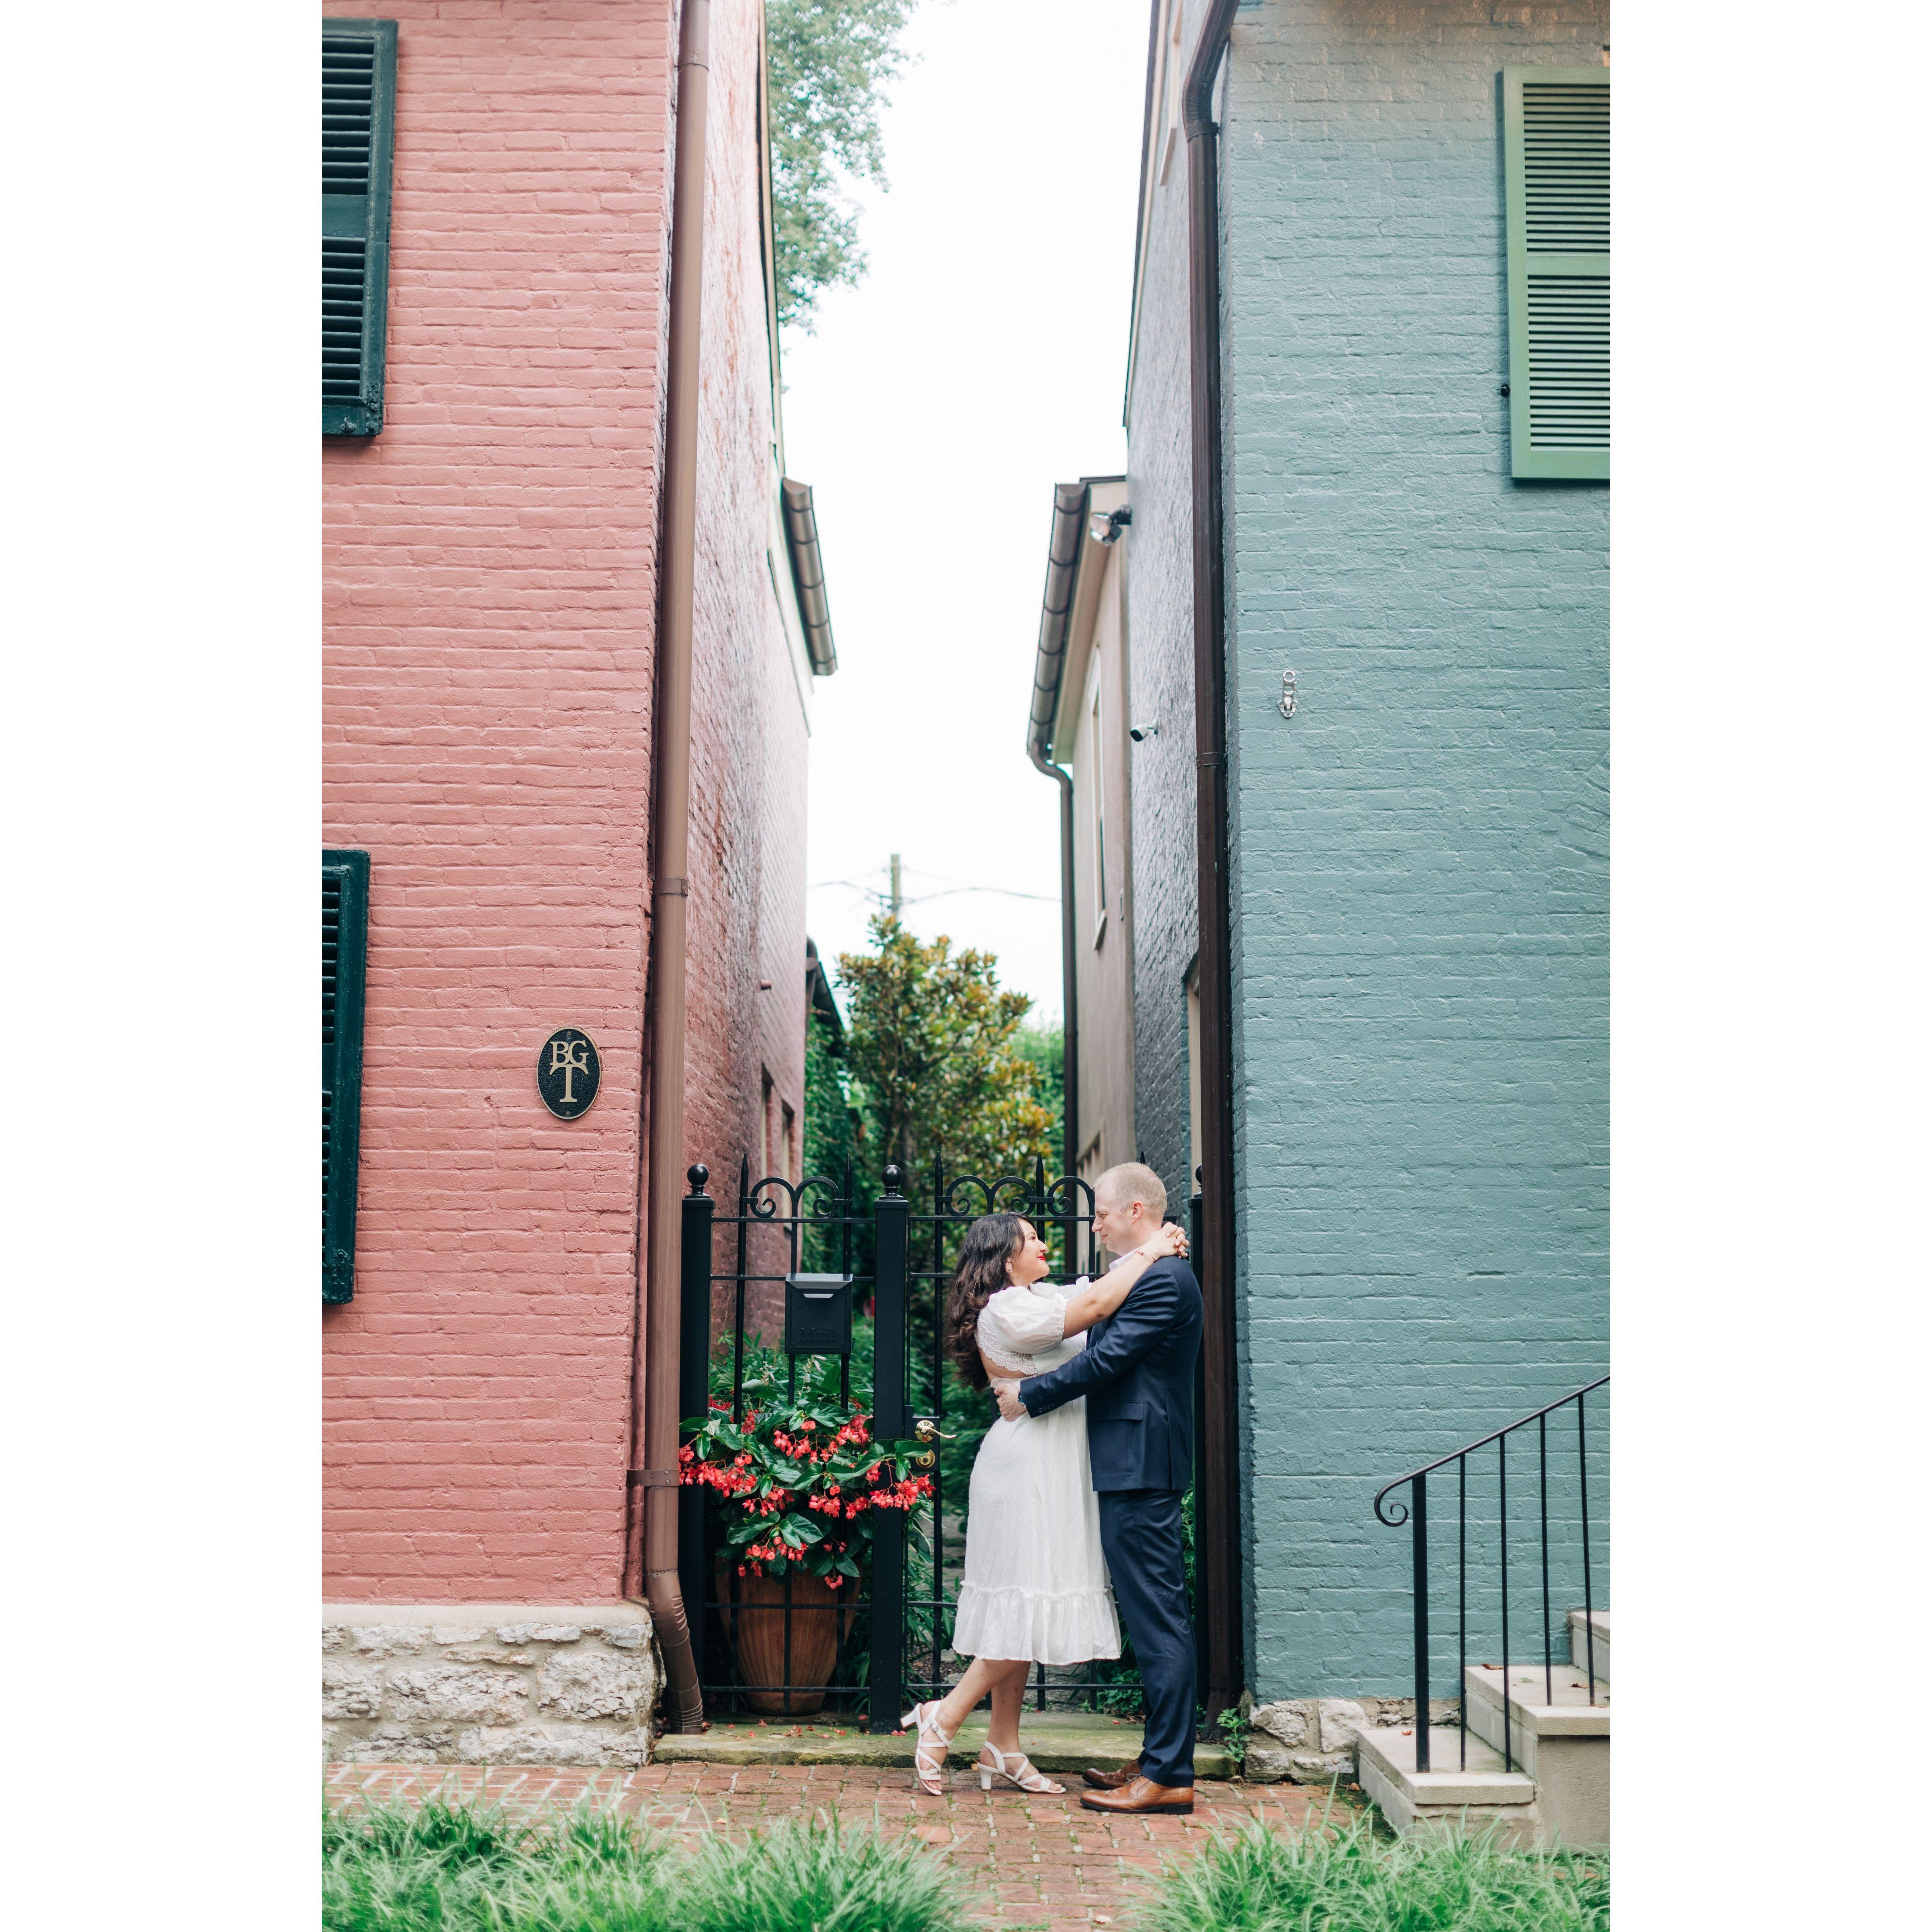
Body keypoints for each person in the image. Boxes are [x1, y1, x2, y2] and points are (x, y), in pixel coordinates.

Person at [900, 1204, 1190, 1796]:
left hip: (1055, 1459)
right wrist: (1154, 1248)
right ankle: (946, 1715)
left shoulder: (1033, 1298)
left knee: (1026, 1598)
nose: (1045, 1249)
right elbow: (1095, 1307)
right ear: (1004, 1258)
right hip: (1029, 1462)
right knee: (1027, 1601)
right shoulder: (1009, 1307)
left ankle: (1003, 1745)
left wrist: (1149, 1251)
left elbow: (1093, 1293)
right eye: (1032, 1241)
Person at [991, 1162, 1203, 1815]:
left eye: (1101, 1213)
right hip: (1131, 1461)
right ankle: (1156, 1756)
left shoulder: (1162, 1281)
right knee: (1151, 1614)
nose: (1094, 1223)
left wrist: (1027, 1394)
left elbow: (1106, 1361)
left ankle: (1169, 1773)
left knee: (1157, 1616)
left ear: (1134, 1209)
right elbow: (1089, 1312)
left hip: (1140, 1463)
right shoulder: (1150, 1270)